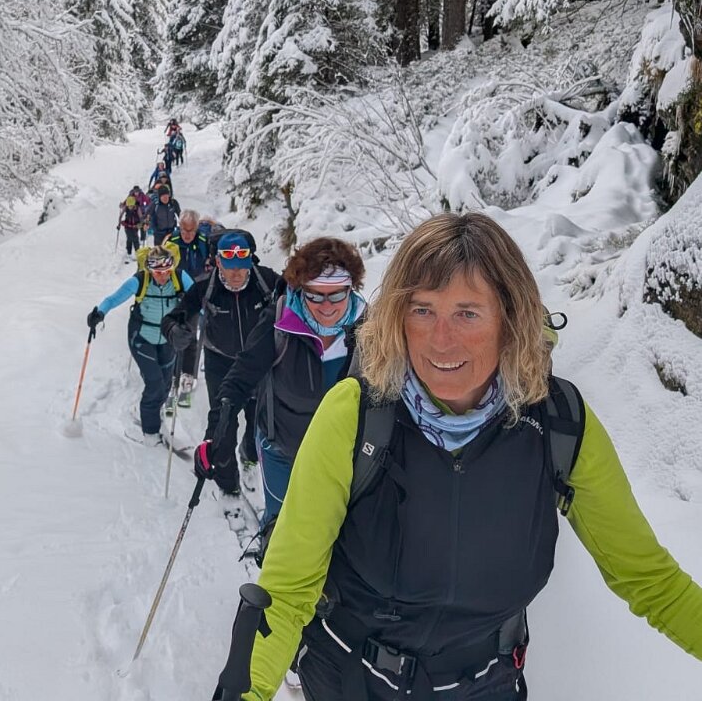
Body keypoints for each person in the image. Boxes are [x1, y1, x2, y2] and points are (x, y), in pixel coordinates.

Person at [229, 213, 702, 700]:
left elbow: (650, 581)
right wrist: (249, 689)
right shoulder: (355, 415)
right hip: (351, 681)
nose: (440, 340)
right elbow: (288, 591)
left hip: (485, 685)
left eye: (467, 313)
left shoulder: (559, 426)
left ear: (509, 319)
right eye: (422, 310)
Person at [194, 237, 367, 527]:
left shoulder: (367, 329)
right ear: (301, 289)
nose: (327, 306)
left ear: (351, 288)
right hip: (283, 450)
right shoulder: (280, 323)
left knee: (336, 531)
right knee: (282, 528)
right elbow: (241, 377)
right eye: (315, 295)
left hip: (343, 456)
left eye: (337, 295)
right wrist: (216, 431)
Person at [162, 230, 280, 495]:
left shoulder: (267, 281)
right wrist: (174, 331)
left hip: (259, 362)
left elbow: (296, 298)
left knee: (259, 421)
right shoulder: (206, 287)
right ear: (218, 262)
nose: (236, 273)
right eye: (229, 266)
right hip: (221, 363)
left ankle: (250, 457)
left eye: (242, 266)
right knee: (222, 427)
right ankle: (228, 486)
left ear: (250, 262)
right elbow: (174, 317)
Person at [86, 244, 194, 445]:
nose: (163, 276)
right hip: (142, 337)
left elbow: (198, 300)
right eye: (158, 272)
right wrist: (99, 313)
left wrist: (206, 316)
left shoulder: (180, 278)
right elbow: (113, 299)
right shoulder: (140, 280)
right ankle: (150, 432)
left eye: (166, 271)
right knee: (155, 382)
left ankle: (150, 412)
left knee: (165, 384)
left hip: (168, 337)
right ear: (150, 269)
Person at [164, 211, 212, 406]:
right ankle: (171, 373)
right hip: (174, 293)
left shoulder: (204, 241)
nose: (187, 234)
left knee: (191, 334)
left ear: (197, 228)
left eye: (191, 231)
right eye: (184, 230)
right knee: (173, 332)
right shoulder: (172, 241)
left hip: (196, 293)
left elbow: (211, 264)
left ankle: (188, 375)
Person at [118, 194, 144, 258]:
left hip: (135, 226)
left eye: (131, 206)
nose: (130, 207)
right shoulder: (126, 207)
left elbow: (141, 217)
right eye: (129, 206)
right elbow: (121, 215)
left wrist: (141, 224)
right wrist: (119, 224)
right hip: (127, 226)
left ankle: (137, 252)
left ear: (134, 204)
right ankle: (129, 253)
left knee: (135, 239)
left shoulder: (137, 208)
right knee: (129, 239)